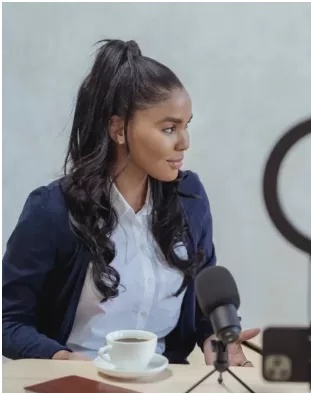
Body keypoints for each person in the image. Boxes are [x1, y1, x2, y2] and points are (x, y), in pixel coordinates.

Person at [2, 39, 258, 367]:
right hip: (77, 383)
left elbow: (202, 304)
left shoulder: (189, 198)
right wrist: (62, 358)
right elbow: (9, 322)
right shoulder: (53, 210)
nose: (184, 142)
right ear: (118, 129)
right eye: (169, 128)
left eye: (186, 126)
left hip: (166, 385)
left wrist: (216, 340)